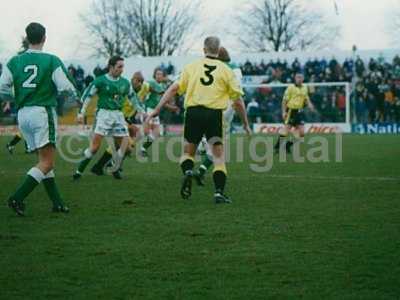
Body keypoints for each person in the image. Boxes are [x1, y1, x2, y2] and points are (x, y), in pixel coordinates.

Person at [146, 36, 251, 204]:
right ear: (218, 51)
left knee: (189, 153)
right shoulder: (227, 71)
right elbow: (238, 101)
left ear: (204, 49)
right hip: (214, 115)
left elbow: (173, 89)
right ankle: (218, 193)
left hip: (193, 113)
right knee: (219, 157)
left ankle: (188, 172)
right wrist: (245, 124)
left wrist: (157, 109)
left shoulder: (192, 67)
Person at [0, 22, 77, 216]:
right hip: (42, 112)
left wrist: (16, 98)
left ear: (27, 38)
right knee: (47, 162)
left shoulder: (13, 61)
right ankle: (17, 197)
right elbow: (66, 87)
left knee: (43, 160)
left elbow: (2, 88)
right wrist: (71, 104)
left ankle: (57, 202)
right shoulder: (51, 60)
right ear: (44, 38)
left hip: (23, 114)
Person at [193, 46, 249, 186]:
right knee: (220, 148)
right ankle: (204, 173)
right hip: (224, 108)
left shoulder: (208, 66)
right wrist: (245, 124)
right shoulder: (234, 69)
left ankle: (202, 149)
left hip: (206, 106)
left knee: (212, 141)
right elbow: (237, 98)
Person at [72, 56, 135, 180]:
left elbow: (134, 98)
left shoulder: (125, 83)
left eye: (123, 67)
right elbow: (87, 96)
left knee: (127, 147)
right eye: (119, 67)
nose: (122, 70)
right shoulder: (100, 81)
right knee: (94, 148)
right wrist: (81, 113)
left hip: (118, 115)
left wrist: (144, 112)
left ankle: (113, 166)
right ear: (111, 67)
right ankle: (78, 172)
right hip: (103, 115)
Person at [90, 71, 148, 178]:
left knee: (118, 146)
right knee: (128, 145)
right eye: (137, 81)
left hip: (126, 121)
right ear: (132, 80)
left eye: (141, 81)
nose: (139, 83)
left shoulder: (143, 88)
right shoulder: (124, 91)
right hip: (118, 120)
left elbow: (151, 88)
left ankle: (99, 167)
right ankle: (114, 166)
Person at [274, 73, 316, 154]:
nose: (299, 79)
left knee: (302, 134)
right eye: (297, 77)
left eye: (301, 77)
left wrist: (310, 105)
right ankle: (277, 147)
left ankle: (287, 145)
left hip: (300, 112)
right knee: (286, 130)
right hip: (291, 111)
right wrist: (283, 112)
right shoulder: (290, 88)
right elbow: (284, 101)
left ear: (303, 79)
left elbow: (306, 98)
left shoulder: (305, 88)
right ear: (295, 78)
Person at [141, 67, 178, 157]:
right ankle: (131, 144)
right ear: (154, 75)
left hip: (155, 112)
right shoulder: (152, 83)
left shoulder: (161, 86)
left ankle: (143, 149)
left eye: (160, 74)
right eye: (157, 74)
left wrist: (172, 108)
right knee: (147, 132)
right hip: (148, 110)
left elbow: (163, 103)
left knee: (157, 134)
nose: (158, 76)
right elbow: (146, 87)